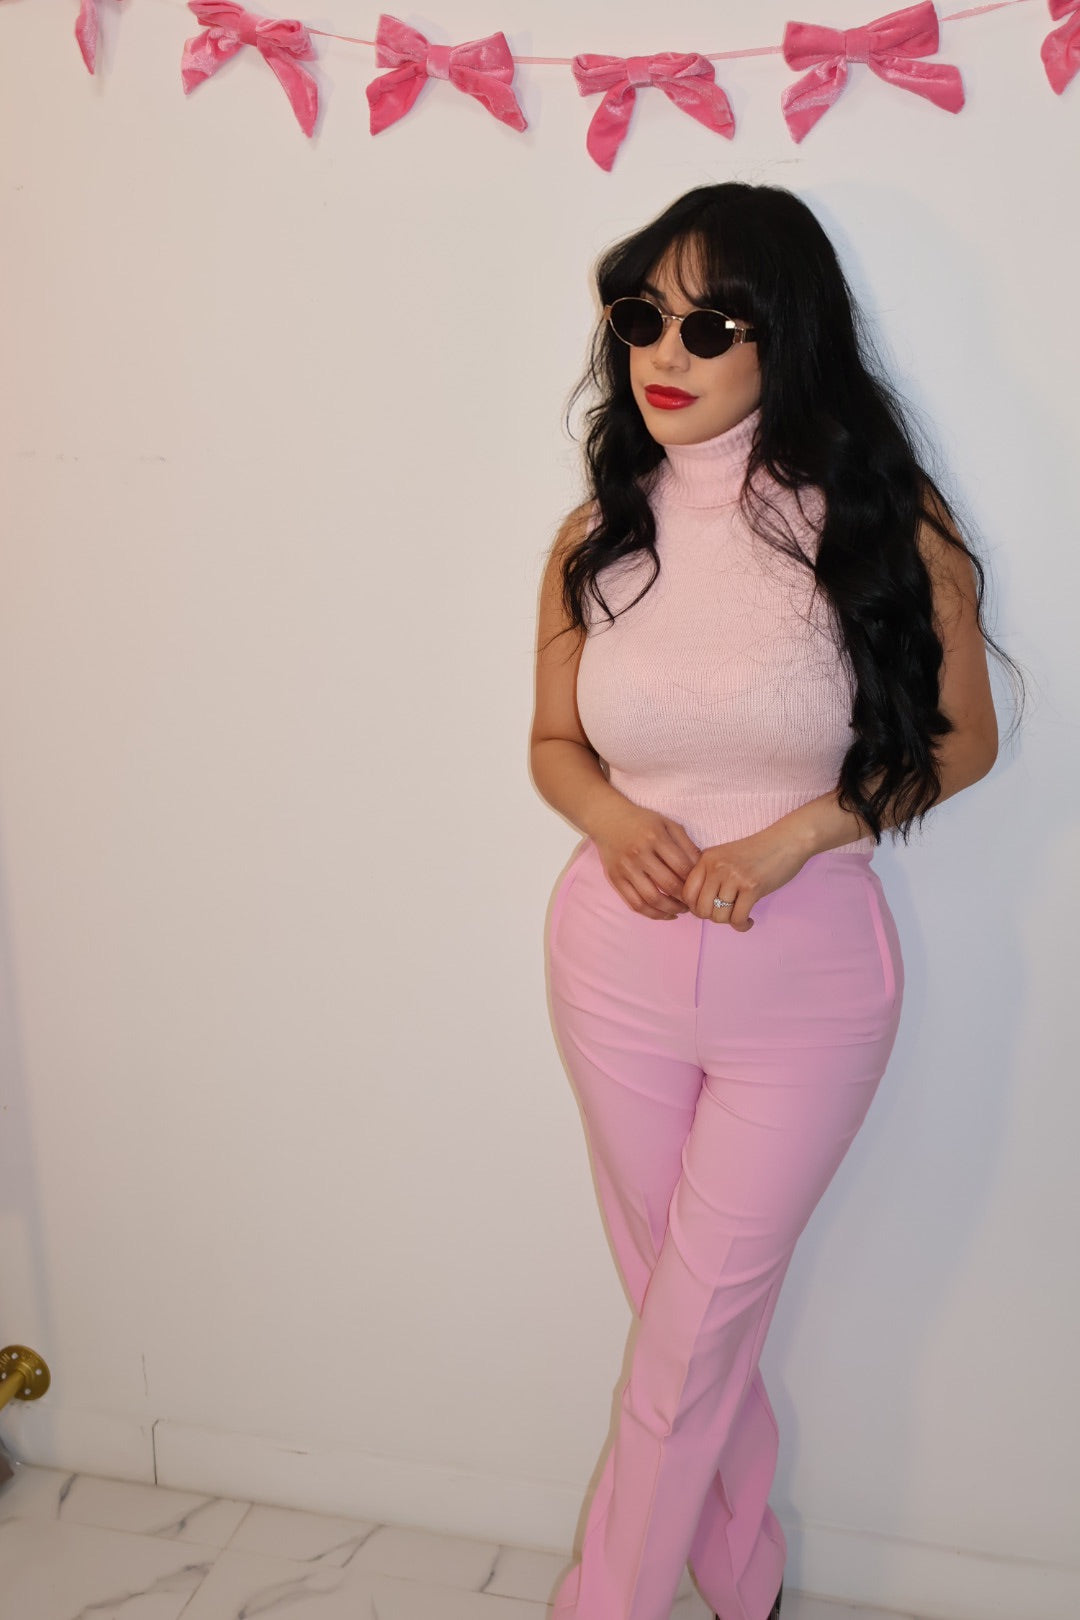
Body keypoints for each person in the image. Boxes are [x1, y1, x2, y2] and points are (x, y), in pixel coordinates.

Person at [529, 183, 1022, 1620]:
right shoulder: (596, 534)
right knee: (681, 1324)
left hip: (806, 986)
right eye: (641, 317)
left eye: (710, 325)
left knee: (691, 1337)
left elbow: (963, 743)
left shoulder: (876, 520)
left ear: (785, 338)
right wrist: (617, 820)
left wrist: (799, 835)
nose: (662, 353)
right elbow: (553, 745)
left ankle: (607, 1604)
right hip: (610, 970)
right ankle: (745, 1583)